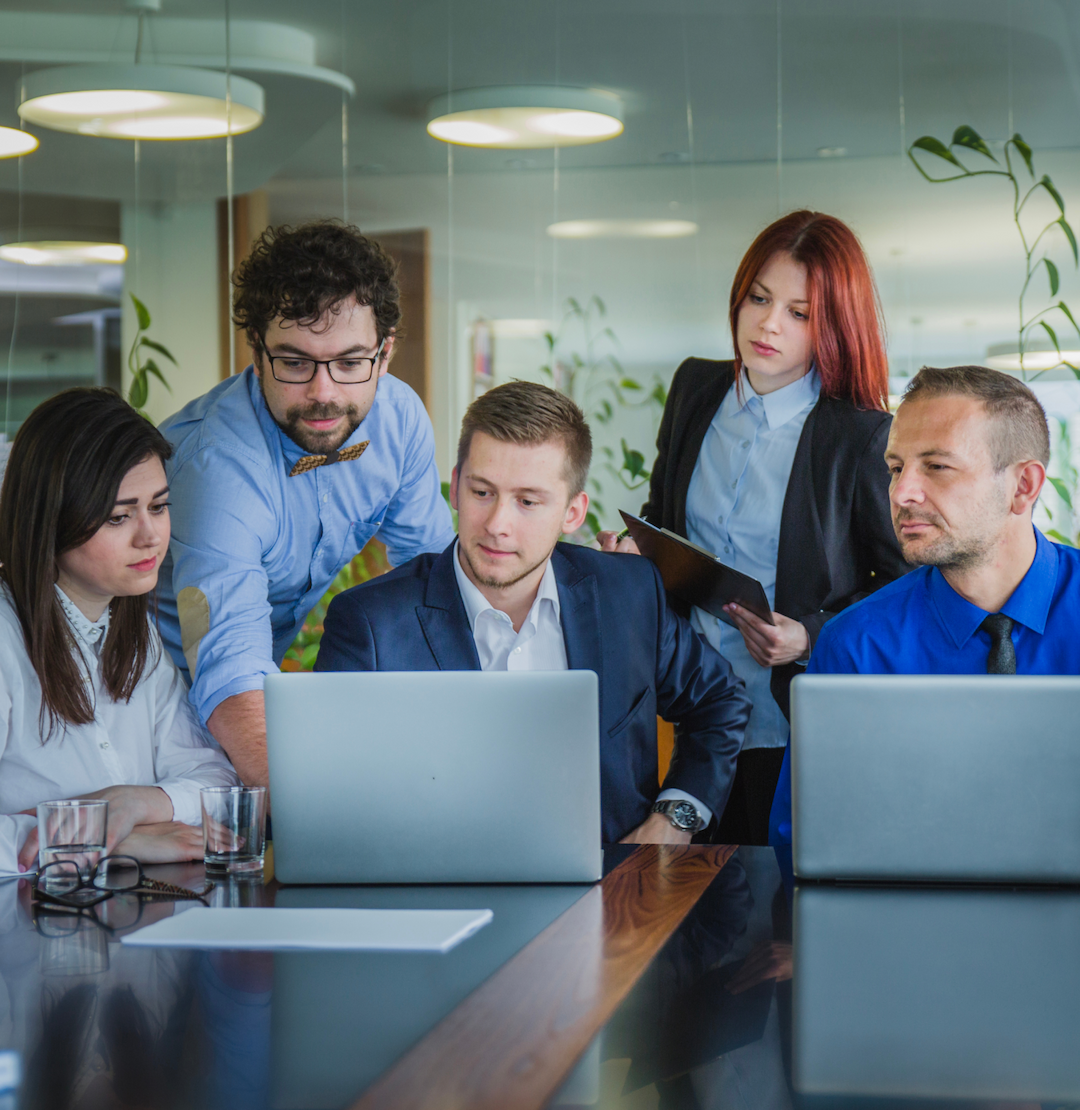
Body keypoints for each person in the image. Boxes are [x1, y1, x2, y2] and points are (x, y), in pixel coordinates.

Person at [315, 381, 752, 845]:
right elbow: (330, 792)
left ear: (572, 512)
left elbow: (719, 703)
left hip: (614, 899)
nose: (498, 524)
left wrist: (674, 820)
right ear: (457, 486)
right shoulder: (368, 623)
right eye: (482, 492)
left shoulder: (630, 592)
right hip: (440, 900)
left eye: (527, 501)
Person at [601, 210, 908, 845]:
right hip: (685, 707)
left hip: (789, 720)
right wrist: (638, 547)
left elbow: (904, 583)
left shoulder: (859, 437)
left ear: (833, 326)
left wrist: (811, 636)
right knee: (677, 898)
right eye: (759, 298)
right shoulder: (695, 387)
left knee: (775, 913)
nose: (768, 324)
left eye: (800, 313)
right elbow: (665, 512)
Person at [156, 221, 456, 786]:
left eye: (349, 363)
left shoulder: (399, 421)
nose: (323, 393)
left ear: (385, 354)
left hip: (262, 698)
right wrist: (323, 821)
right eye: (295, 362)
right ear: (257, 350)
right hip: (158, 705)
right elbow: (229, 669)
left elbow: (435, 580)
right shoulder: (216, 468)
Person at [769, 364, 1080, 845]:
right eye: (896, 468)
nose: (901, 493)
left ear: (1023, 487)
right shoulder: (855, 646)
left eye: (937, 466)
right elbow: (809, 842)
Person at [0, 388, 239, 874]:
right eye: (119, 516)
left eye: (158, 505)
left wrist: (130, 804)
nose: (150, 536)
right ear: (52, 520)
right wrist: (116, 841)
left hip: (126, 913)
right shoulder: (6, 637)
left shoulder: (137, 636)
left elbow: (214, 779)